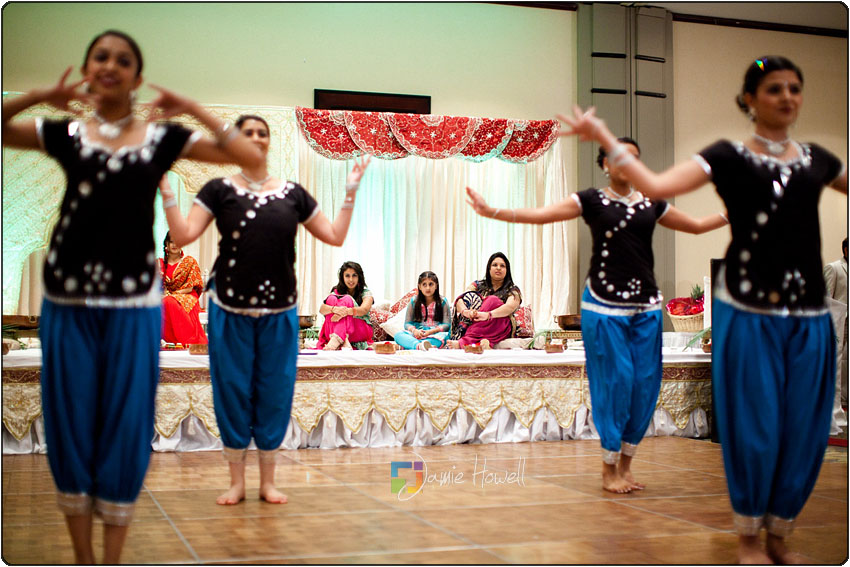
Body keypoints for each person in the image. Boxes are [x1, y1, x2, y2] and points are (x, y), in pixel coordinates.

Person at [559, 55, 846, 563]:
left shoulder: (819, 159)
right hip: (748, 308)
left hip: (808, 315)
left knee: (805, 426)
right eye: (775, 88)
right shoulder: (725, 155)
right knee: (755, 425)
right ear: (750, 99)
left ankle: (781, 532)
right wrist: (603, 135)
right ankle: (749, 539)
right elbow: (655, 184)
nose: (787, 97)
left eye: (795, 88)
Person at [1, 30, 264, 563]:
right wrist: (37, 99)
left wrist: (190, 108)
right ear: (88, 69)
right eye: (101, 57)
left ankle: (112, 559)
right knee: (70, 420)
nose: (111, 65)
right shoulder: (68, 133)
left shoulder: (160, 138)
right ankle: (82, 557)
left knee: (125, 421)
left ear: (137, 78)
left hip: (134, 304)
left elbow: (244, 155)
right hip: (67, 300)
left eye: (124, 60)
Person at [466, 138, 727, 494]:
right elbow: (543, 215)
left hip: (645, 306)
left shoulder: (652, 202)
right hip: (603, 306)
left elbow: (696, 225)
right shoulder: (591, 199)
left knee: (645, 384)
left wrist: (732, 213)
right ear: (604, 163)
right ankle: (608, 468)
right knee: (615, 381)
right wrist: (494, 211)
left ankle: (627, 466)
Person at [160, 114, 371, 505]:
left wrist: (350, 193)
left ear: (270, 143)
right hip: (229, 309)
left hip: (279, 311)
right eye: (247, 133)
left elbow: (334, 236)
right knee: (232, 391)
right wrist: (166, 191)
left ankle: (268, 482)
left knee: (275, 392)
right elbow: (186, 234)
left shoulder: (293, 193)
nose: (256, 139)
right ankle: (237, 482)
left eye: (262, 133)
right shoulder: (218, 189)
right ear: (234, 143)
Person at [447, 252, 521, 349]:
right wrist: (467, 312)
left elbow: (510, 307)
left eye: (502, 266)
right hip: (476, 320)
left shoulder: (513, 290)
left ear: (507, 270)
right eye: (495, 265)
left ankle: (462, 342)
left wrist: (488, 315)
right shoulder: (477, 285)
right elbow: (461, 299)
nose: (498, 268)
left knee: (492, 300)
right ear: (489, 268)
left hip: (499, 324)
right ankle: (484, 344)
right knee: (470, 297)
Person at [159, 231, 207, 345]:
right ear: (166, 244)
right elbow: (158, 286)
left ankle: (191, 340)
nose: (175, 244)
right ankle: (171, 340)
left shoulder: (189, 262)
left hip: (187, 295)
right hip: (168, 296)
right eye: (171, 242)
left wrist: (173, 295)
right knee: (162, 303)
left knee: (169, 301)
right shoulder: (159, 263)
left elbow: (190, 287)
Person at [317, 261, 375, 350]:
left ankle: (337, 340)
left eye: (354, 275)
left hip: (360, 329)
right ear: (342, 277)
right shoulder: (336, 291)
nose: (351, 280)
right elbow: (322, 309)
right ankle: (343, 340)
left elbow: (364, 309)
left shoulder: (366, 293)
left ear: (359, 277)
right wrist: (334, 309)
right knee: (331, 298)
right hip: (337, 331)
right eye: (347, 276)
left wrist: (345, 311)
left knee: (346, 298)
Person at [394, 271, 451, 350]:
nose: (428, 288)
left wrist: (430, 332)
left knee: (444, 338)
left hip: (435, 333)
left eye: (431, 284)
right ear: (419, 287)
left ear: (436, 286)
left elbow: (447, 324)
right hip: (417, 334)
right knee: (398, 335)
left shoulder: (443, 301)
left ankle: (412, 345)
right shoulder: (414, 301)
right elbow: (407, 323)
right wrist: (415, 331)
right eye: (424, 284)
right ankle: (419, 346)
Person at [824, 238, 848, 407]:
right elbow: (827, 299)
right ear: (846, 250)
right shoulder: (834, 268)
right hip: (840, 322)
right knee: (837, 360)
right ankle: (834, 400)